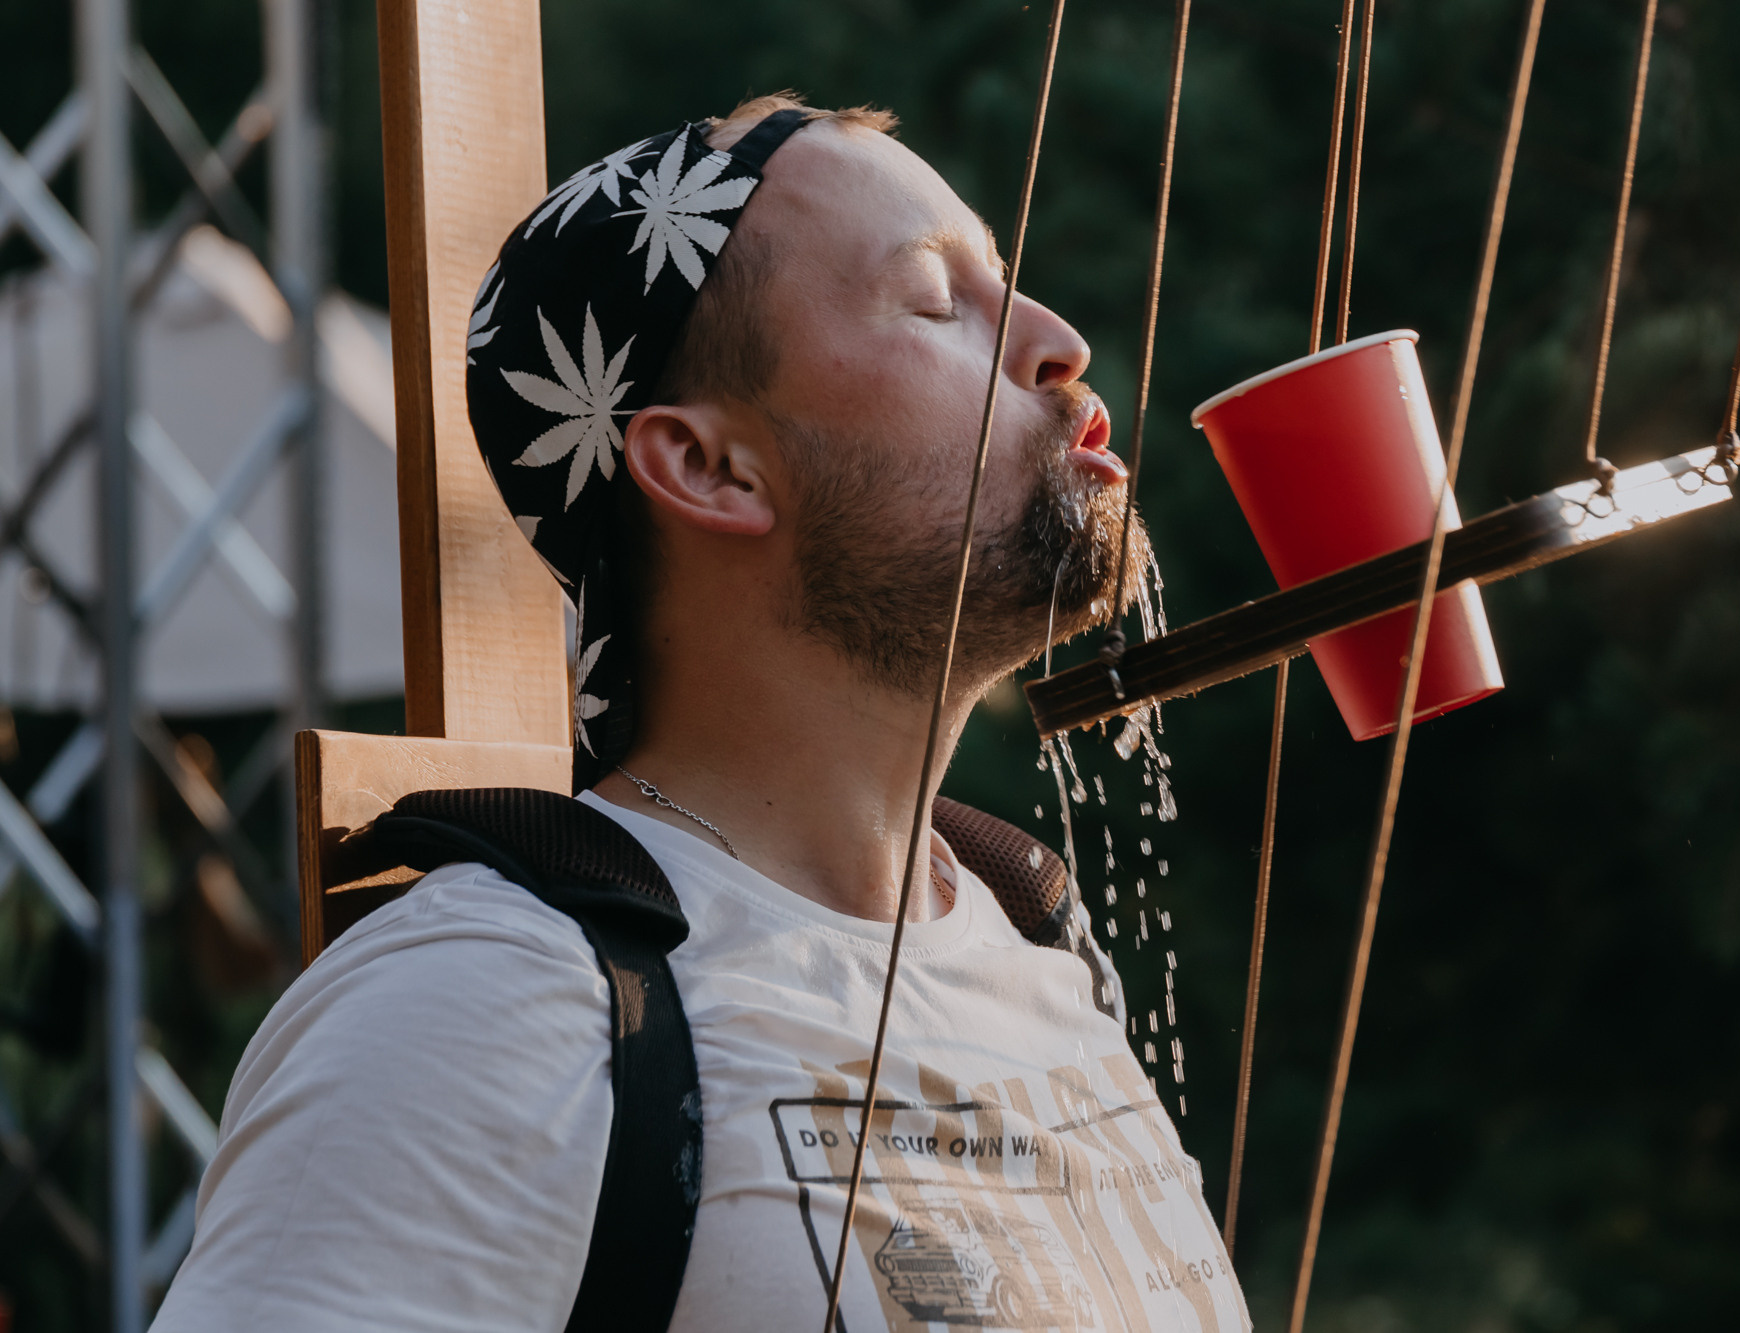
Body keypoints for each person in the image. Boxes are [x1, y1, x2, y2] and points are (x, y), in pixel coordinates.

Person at [153, 93, 1250, 1332]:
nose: (1058, 343)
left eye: (1006, 282)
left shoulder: (1037, 941)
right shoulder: (480, 1007)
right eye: (937, 302)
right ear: (710, 467)